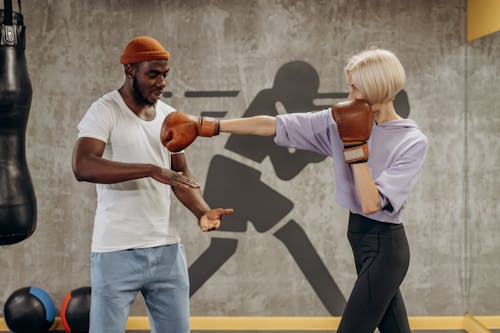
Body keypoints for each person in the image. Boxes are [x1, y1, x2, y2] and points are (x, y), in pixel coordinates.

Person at [162, 47, 428, 333]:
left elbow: (371, 203)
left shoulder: (411, 141)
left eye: (355, 88)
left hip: (385, 246)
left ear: (376, 88)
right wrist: (208, 125)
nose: (348, 95)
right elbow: (272, 125)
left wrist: (354, 147)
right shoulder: (338, 119)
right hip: (359, 237)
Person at [71, 36, 233, 333]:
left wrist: (202, 212)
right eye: (153, 74)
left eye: (165, 74)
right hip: (116, 250)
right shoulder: (105, 110)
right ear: (130, 70)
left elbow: (178, 174)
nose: (161, 82)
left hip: (167, 251)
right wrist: (148, 169)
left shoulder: (169, 116)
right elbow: (83, 166)